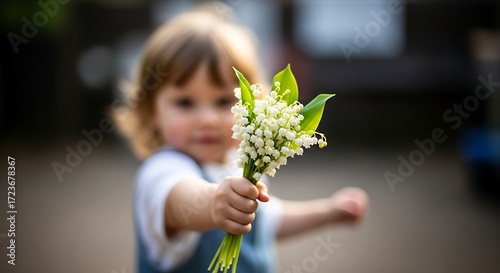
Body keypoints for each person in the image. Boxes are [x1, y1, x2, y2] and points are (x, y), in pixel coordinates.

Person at [113, 6, 368, 273]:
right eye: (185, 103)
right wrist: (214, 202)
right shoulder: (161, 171)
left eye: (224, 101)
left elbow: (266, 220)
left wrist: (327, 213)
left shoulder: (239, 164)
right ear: (151, 111)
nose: (207, 119)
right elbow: (180, 201)